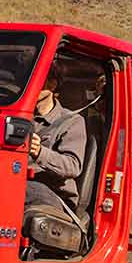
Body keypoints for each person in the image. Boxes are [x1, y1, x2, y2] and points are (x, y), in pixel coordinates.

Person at [25, 70, 87, 227]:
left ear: (52, 84)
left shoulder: (72, 121)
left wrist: (39, 151)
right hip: (19, 180)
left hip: (54, 194)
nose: (29, 84)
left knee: (16, 189)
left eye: (37, 78)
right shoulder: (19, 117)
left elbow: (73, 166)